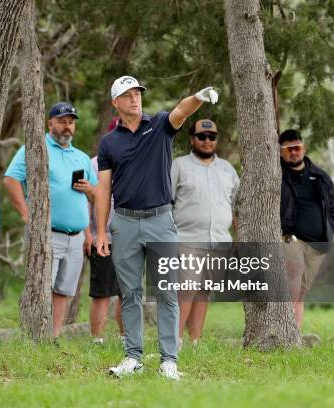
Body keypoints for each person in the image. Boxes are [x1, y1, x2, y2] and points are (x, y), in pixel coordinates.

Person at [96, 75, 218, 380]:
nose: (135, 98)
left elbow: (181, 111)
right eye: (127, 94)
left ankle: (168, 360)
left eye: (137, 92)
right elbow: (103, 189)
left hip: (161, 221)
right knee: (130, 293)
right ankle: (133, 357)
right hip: (123, 222)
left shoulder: (160, 125)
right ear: (116, 103)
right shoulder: (109, 142)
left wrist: (198, 97)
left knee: (166, 291)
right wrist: (101, 231)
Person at [3, 102, 97, 338]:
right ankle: (34, 336)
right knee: (41, 287)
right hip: (48, 233)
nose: (67, 127)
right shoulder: (36, 148)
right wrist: (28, 217)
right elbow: (11, 180)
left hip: (76, 237)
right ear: (50, 123)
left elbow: (94, 196)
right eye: (62, 121)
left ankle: (52, 338)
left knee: (64, 290)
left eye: (71, 122)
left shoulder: (81, 157)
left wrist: (88, 232)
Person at [171, 119, 239, 349]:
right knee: (186, 289)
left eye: (212, 137)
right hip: (186, 240)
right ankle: (175, 340)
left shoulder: (227, 169)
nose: (207, 141)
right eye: (202, 137)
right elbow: (166, 203)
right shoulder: (178, 166)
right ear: (192, 139)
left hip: (219, 241)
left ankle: (195, 341)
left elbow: (237, 206)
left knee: (203, 291)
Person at [279, 129, 334, 329]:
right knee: (293, 278)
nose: (293, 152)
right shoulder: (277, 175)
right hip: (290, 238)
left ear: (303, 148)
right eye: (288, 149)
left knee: (301, 292)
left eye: (297, 148)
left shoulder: (320, 176)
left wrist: (330, 229)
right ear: (281, 152)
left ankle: (293, 333)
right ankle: (286, 329)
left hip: (318, 244)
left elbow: (332, 208)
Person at [88, 118, 124, 345]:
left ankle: (125, 337)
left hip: (129, 237)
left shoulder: (133, 162)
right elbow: (84, 201)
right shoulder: (94, 164)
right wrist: (89, 234)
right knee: (102, 292)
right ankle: (97, 339)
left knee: (127, 292)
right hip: (102, 236)